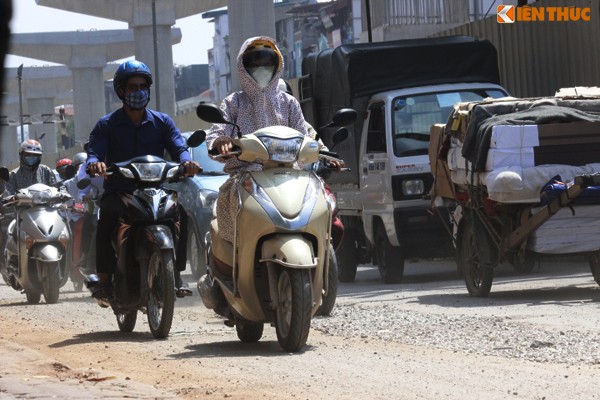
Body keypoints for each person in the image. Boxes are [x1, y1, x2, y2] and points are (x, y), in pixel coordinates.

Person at [86, 60, 200, 299]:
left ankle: (176, 274)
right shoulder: (107, 124)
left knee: (181, 215)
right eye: (132, 87)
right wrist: (94, 164)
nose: (138, 91)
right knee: (106, 216)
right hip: (120, 191)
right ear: (121, 91)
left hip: (155, 191)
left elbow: (179, 147)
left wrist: (186, 161)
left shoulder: (162, 122)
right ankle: (104, 279)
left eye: (143, 86)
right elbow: (94, 152)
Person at [206, 36, 309, 243]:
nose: (261, 67)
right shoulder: (233, 103)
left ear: (277, 65)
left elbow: (303, 135)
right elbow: (217, 132)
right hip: (245, 180)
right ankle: (236, 262)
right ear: (243, 68)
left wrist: (317, 152)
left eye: (266, 62)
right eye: (254, 63)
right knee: (237, 224)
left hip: (289, 178)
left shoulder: (289, 103)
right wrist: (220, 142)